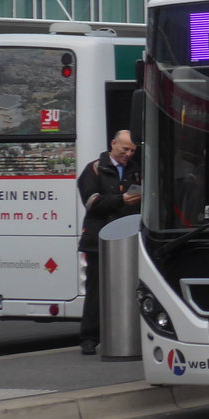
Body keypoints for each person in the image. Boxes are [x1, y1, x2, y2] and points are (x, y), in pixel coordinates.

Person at [76, 130, 141, 355]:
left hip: (128, 237)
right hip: (99, 239)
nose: (128, 154)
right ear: (113, 144)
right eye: (125, 149)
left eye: (132, 150)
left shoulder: (136, 170)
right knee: (96, 288)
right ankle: (89, 338)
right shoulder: (94, 168)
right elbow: (91, 201)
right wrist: (121, 200)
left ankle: (127, 334)